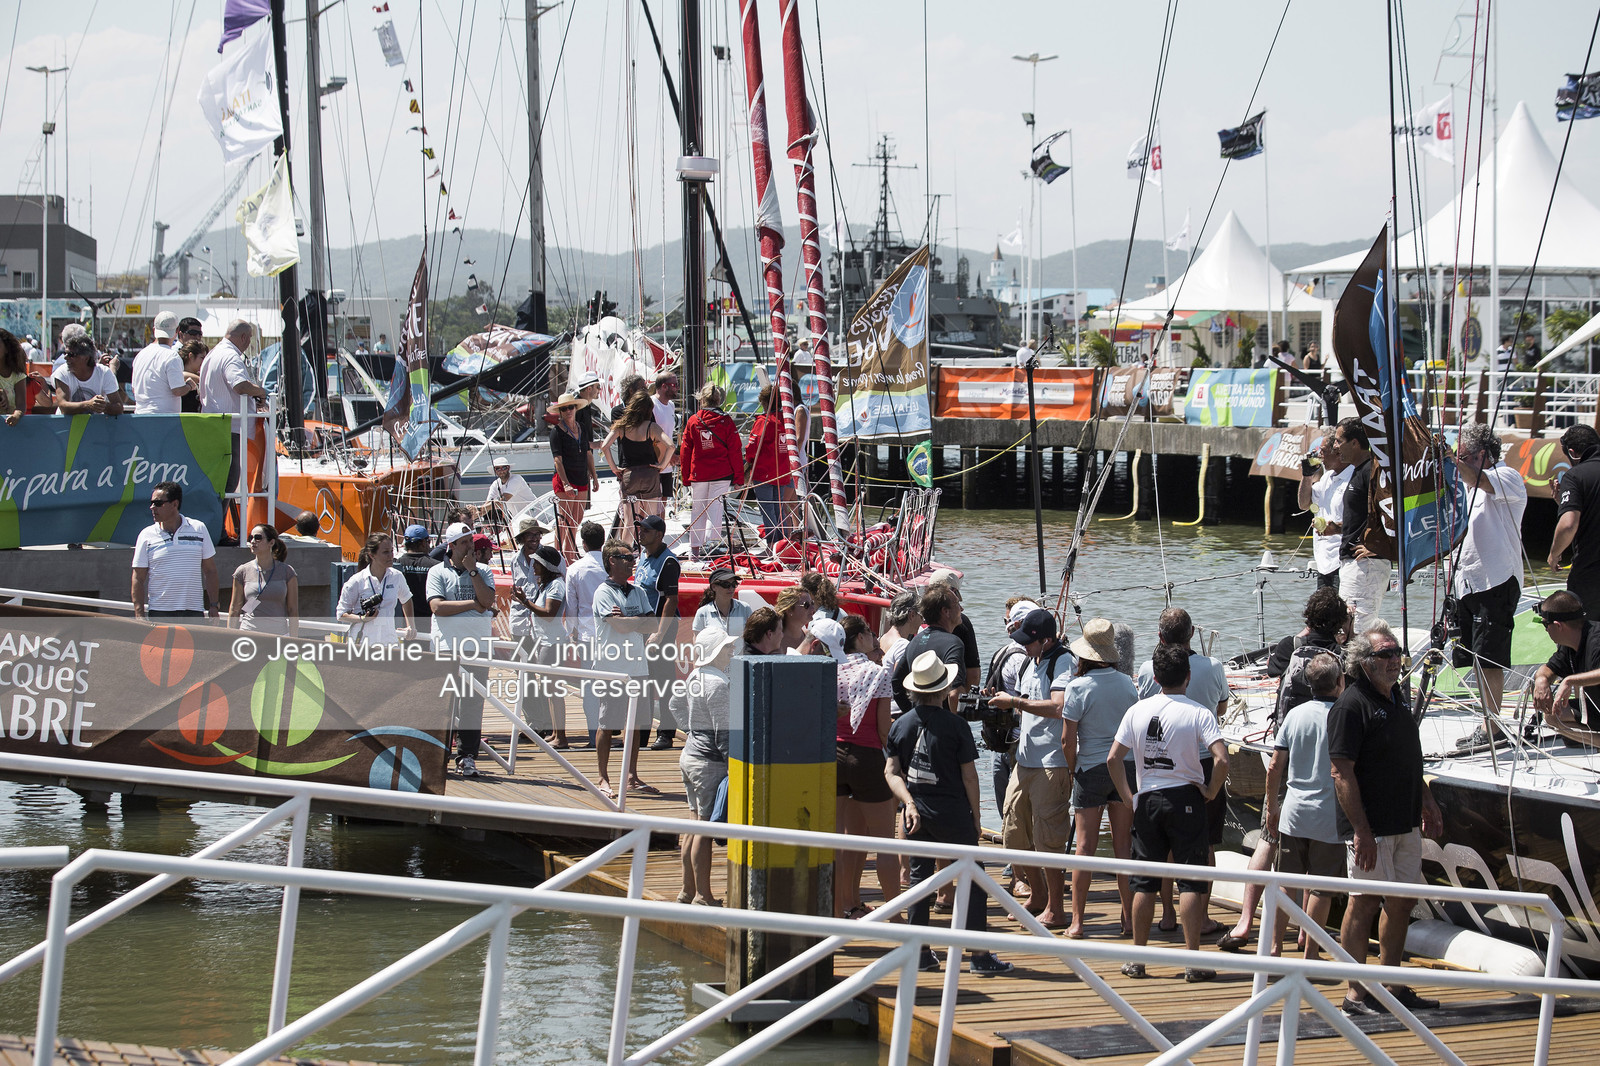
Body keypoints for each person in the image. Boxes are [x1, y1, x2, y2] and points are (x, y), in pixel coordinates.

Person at [1219, 588, 1349, 952]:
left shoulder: (1289, 644)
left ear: (1308, 616)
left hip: (1283, 750)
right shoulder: (1339, 659)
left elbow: (1274, 671)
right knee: (1319, 851)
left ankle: (1246, 922)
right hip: (1321, 764)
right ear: (1339, 623)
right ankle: (1307, 935)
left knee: (1269, 839)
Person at [1330, 623, 1443, 1016]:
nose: (1396, 660)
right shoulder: (1350, 706)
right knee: (1362, 904)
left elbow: (1410, 755)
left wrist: (1426, 799)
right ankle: (1356, 993)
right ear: (1365, 663)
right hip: (1371, 828)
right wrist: (1361, 830)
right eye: (1387, 654)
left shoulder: (1397, 697)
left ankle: (1391, 984)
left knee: (1401, 904)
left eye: (1397, 653)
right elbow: (1341, 772)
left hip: (1405, 820)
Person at [884, 650, 1014, 977]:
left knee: (919, 881)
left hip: (917, 814)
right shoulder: (956, 726)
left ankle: (919, 952)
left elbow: (891, 772)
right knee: (973, 879)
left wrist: (908, 803)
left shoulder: (900, 724)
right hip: (953, 812)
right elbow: (970, 775)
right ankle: (979, 955)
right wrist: (975, 817)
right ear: (943, 689)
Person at [1108, 643, 1228, 982]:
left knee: (1144, 882)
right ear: (1187, 677)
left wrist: (1129, 797)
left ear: (1156, 677)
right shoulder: (1198, 712)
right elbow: (1221, 758)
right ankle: (1193, 960)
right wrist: (1211, 790)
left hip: (1148, 799)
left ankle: (1138, 960)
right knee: (1191, 879)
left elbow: (1113, 759)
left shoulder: (1138, 711)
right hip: (1186, 798)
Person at [1135, 607, 1231, 931]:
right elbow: (1221, 706)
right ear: (1192, 634)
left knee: (1164, 847)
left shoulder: (1149, 669)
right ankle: (1201, 917)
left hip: (1160, 762)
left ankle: (1166, 914)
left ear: (1160, 637)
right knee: (1205, 844)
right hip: (1204, 761)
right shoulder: (1213, 666)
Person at [986, 608, 1074, 929]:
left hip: (1052, 762)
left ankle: (1056, 907)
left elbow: (1058, 706)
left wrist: (1015, 703)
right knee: (1013, 828)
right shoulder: (1029, 661)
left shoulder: (1063, 662)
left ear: (1047, 639)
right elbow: (1023, 699)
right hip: (1025, 760)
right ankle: (1037, 894)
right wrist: (998, 700)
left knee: (1048, 837)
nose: (1023, 646)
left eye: (1029, 641)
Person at [1259, 652, 1346, 962]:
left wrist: (1272, 807)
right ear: (1340, 682)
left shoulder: (1294, 714)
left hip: (1294, 811)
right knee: (1320, 888)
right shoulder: (1342, 715)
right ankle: (1310, 952)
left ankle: (1274, 947)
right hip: (1328, 815)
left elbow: (1274, 767)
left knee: (1285, 885)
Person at [1060, 618, 1140, 939]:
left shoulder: (1077, 687)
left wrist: (1072, 769)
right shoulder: (1127, 684)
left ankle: (1078, 922)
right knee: (1124, 846)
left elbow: (1068, 740)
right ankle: (1129, 919)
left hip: (1090, 768)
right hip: (1125, 768)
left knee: (1084, 847)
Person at [1450, 422, 1528, 726]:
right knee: (1470, 657)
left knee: (1488, 657)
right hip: (1466, 582)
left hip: (1496, 579)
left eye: (1463, 455)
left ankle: (1492, 725)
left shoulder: (1505, 476)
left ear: (1482, 455)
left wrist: (1448, 458)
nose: (1459, 461)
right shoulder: (1467, 485)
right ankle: (1484, 718)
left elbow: (1479, 479)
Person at [834, 613, 899, 919]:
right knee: (885, 843)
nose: (875, 638)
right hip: (867, 756)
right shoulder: (878, 672)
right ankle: (896, 915)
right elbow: (884, 728)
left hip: (835, 756)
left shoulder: (831, 668)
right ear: (860, 638)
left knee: (841, 838)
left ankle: (843, 905)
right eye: (870, 634)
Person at [672, 625, 737, 906]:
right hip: (708, 763)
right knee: (705, 831)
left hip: (690, 756)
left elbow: (675, 704)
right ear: (714, 653)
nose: (731, 650)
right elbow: (724, 734)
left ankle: (687, 890)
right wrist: (734, 765)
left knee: (694, 825)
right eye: (726, 647)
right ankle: (703, 894)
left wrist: (691, 731)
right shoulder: (718, 684)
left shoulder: (695, 675)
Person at [427, 522, 498, 776]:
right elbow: (438, 607)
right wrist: (472, 604)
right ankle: (438, 755)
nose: (471, 546)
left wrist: (473, 573)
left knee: (472, 704)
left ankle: (467, 756)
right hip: (446, 648)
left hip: (477, 648)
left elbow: (488, 601)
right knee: (446, 704)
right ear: (452, 545)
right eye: (466, 542)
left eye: (471, 541)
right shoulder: (437, 572)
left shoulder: (483, 571)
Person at [593, 538, 655, 796]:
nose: (633, 562)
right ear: (612, 561)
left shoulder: (638, 591)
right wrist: (636, 620)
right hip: (611, 666)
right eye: (627, 558)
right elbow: (618, 626)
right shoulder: (603, 592)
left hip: (638, 667)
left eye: (633, 557)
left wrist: (630, 619)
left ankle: (631, 776)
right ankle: (602, 778)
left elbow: (652, 624)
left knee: (637, 724)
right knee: (608, 723)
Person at [199, 319, 266, 538]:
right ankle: (217, 532)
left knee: (219, 482)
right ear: (245, 337)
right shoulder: (230, 356)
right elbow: (239, 385)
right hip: (230, 427)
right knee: (228, 481)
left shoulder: (213, 354)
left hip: (214, 425)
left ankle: (215, 529)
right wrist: (261, 392)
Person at [131, 480, 218, 621]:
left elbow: (210, 571)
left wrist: (214, 605)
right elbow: (138, 577)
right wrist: (139, 614)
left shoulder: (199, 529)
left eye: (158, 503)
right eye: (151, 503)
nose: (152, 507)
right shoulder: (146, 535)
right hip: (160, 612)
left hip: (193, 612)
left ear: (175, 504)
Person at [1331, 418, 1387, 632]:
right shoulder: (1357, 469)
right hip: (1353, 565)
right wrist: (1337, 528)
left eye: (1338, 441)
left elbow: (1391, 511)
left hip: (1365, 566)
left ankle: (1361, 666)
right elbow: (1365, 515)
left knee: (1355, 632)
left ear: (1355, 442)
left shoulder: (1372, 470)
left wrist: (1377, 546)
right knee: (1347, 630)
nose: (1335, 447)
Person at [511, 543, 569, 748]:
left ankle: (561, 736)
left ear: (546, 565)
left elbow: (549, 613)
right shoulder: (546, 585)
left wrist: (525, 602)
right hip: (545, 641)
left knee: (554, 691)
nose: (533, 565)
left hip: (552, 643)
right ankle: (555, 732)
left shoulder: (556, 585)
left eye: (536, 562)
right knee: (550, 691)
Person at [680, 382, 745, 558]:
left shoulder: (693, 420)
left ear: (702, 399)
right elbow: (735, 450)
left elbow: (685, 451)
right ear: (719, 400)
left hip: (698, 474)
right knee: (715, 510)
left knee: (698, 510)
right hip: (721, 473)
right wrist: (739, 478)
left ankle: (695, 551)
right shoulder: (726, 421)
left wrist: (685, 477)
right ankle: (711, 546)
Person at [635, 514, 681, 753]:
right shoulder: (643, 557)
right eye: (640, 529)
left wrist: (660, 634)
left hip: (661, 627)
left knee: (663, 682)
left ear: (659, 535)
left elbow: (671, 600)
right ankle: (641, 733)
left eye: (646, 530)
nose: (641, 533)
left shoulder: (668, 562)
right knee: (642, 680)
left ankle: (666, 732)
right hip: (644, 628)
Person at [1531, 590, 1600, 744]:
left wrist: (1569, 681)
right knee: (1553, 715)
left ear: (1558, 625)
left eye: (1545, 624)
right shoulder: (1568, 646)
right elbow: (1549, 668)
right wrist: (1541, 680)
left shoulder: (1596, 640)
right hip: (1597, 709)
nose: (1546, 630)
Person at [601, 390, 671, 539]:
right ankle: (650, 555)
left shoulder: (622, 426)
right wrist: (662, 465)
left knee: (629, 522)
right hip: (650, 475)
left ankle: (626, 555)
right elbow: (671, 446)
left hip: (629, 476)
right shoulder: (651, 427)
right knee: (651, 519)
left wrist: (614, 468)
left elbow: (604, 446)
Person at [1548, 425, 1600, 620]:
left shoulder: (1575, 475)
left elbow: (1569, 524)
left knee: (1584, 640)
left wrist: (1554, 554)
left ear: (1572, 453)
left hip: (1590, 577)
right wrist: (1565, 503)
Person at [565, 520, 610, 744]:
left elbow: (571, 607)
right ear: (603, 541)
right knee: (612, 685)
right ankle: (609, 732)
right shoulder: (611, 565)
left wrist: (571, 632)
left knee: (590, 687)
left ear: (583, 544)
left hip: (587, 635)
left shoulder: (574, 569)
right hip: (612, 634)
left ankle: (594, 734)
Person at [890, 585, 965, 710]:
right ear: (945, 611)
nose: (961, 608)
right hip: (942, 723)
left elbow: (897, 683)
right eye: (957, 604)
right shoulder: (954, 643)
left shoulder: (914, 641)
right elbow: (954, 693)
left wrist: (913, 713)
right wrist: (954, 724)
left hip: (919, 719)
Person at [336, 532, 416, 645]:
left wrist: (410, 626)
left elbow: (407, 599)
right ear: (372, 555)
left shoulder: (397, 576)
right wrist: (362, 618)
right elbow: (341, 614)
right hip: (362, 643)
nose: (391, 556)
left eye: (391, 551)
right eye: (385, 552)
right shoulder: (356, 581)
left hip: (389, 642)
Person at [743, 384, 795, 543]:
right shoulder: (787, 421)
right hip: (782, 472)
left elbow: (752, 446)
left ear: (766, 403)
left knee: (767, 510)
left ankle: (773, 543)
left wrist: (747, 462)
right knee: (778, 510)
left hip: (764, 472)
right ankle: (783, 543)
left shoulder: (764, 421)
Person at [1298, 436, 1352, 591]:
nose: (1319, 456)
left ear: (1337, 453)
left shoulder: (1353, 477)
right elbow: (1303, 504)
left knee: (1345, 612)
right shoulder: (1328, 477)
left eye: (1323, 451)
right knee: (1324, 613)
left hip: (1343, 559)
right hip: (1323, 561)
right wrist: (1307, 476)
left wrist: (1334, 528)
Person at [228, 524, 299, 636]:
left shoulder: (287, 572)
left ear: (271, 542)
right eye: (250, 538)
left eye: (258, 538)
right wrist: (230, 637)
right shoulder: (242, 571)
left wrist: (294, 640)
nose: (253, 541)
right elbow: (235, 608)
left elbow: (293, 610)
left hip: (279, 635)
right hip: (249, 634)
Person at [548, 392, 594, 560]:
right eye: (564, 408)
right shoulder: (556, 432)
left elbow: (588, 454)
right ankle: (560, 555)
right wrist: (566, 483)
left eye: (571, 407)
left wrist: (595, 477)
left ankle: (568, 552)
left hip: (581, 477)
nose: (568, 411)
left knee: (576, 518)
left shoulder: (581, 427)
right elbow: (557, 460)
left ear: (575, 408)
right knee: (564, 519)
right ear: (560, 411)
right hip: (564, 479)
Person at [926, 569, 981, 686]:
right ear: (954, 592)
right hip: (951, 694)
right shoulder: (961, 622)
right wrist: (967, 701)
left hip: (923, 692)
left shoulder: (918, 619)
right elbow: (973, 672)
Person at [131, 311, 194, 413]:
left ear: (154, 330)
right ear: (177, 330)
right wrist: (189, 385)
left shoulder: (140, 355)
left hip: (140, 416)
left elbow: (134, 389)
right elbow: (178, 390)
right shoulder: (172, 356)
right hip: (164, 419)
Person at [51, 335, 126, 415]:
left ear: (86, 358)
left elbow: (119, 407)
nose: (65, 357)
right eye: (65, 353)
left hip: (94, 426)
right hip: (67, 426)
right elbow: (63, 406)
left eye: (71, 354)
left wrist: (103, 406)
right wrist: (88, 405)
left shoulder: (104, 373)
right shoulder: (61, 373)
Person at [394, 523, 437, 624]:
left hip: (403, 623)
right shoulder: (436, 566)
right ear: (423, 543)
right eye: (428, 541)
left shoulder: (396, 565)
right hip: (429, 622)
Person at [878, 590, 922, 682]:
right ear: (912, 615)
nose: (922, 621)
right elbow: (898, 683)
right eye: (921, 616)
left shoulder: (882, 638)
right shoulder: (902, 646)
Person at [694, 567, 753, 634]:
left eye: (734, 584)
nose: (731, 588)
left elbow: (753, 637)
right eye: (726, 585)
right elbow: (697, 639)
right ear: (714, 587)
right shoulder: (702, 612)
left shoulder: (745, 608)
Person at [484, 456, 535, 530]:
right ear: (495, 470)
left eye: (504, 468)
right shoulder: (495, 484)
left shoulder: (516, 478)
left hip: (535, 516)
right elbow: (487, 504)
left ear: (508, 468)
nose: (501, 471)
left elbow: (504, 499)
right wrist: (477, 510)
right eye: (498, 468)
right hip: (519, 520)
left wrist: (481, 509)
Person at [652, 371, 680, 498]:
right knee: (654, 503)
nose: (677, 388)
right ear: (664, 386)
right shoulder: (651, 404)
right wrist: (669, 455)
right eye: (674, 385)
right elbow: (650, 435)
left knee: (663, 503)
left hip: (667, 464)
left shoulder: (671, 406)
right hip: (655, 463)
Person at [774, 585, 818, 653]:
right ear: (789, 610)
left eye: (812, 603)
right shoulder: (774, 641)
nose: (812, 608)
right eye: (806, 605)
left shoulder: (811, 638)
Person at [0, 329, 30, 426]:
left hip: (11, 428)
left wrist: (16, 415)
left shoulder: (18, 376)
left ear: (7, 349)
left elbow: (21, 405)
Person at [177, 340, 206, 414]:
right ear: (191, 356)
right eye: (202, 358)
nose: (204, 361)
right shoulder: (179, 375)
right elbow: (183, 375)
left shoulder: (198, 376)